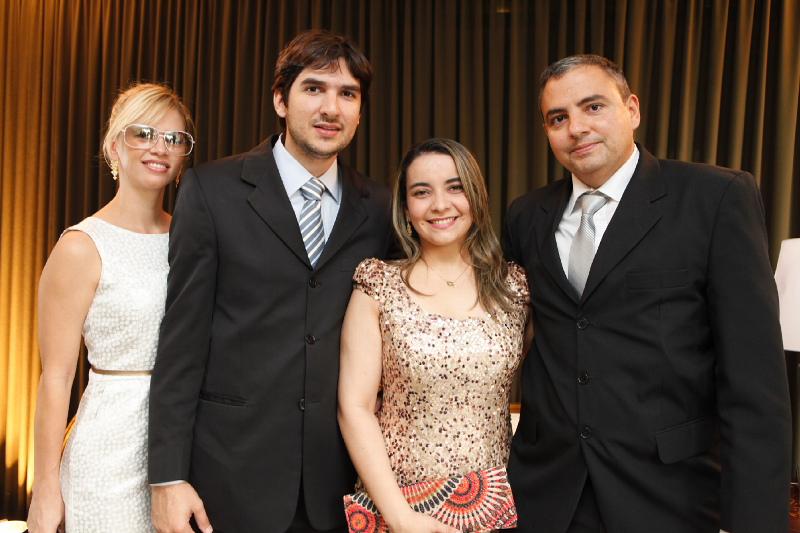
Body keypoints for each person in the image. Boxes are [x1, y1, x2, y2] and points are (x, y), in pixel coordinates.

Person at [503, 54, 791, 533]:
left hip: (671, 496)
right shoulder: (526, 215)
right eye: (558, 118)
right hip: (548, 496)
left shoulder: (715, 197)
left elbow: (754, 384)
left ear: (632, 109)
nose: (576, 128)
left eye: (593, 107)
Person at [148, 30, 395, 533]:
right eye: (314, 89)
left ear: (360, 111)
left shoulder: (379, 208)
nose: (331, 108)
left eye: (347, 94)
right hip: (230, 477)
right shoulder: (212, 190)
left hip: (339, 485)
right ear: (280, 99)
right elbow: (181, 343)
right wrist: (167, 478)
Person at [26, 83, 195, 533]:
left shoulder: (191, 240)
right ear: (114, 145)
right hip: (105, 458)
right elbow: (56, 377)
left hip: (181, 454)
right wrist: (45, 489)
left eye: (174, 138)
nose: (160, 147)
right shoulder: (81, 246)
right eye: (144, 133)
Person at [338, 138, 530, 533]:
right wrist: (401, 517)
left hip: (492, 506)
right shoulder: (378, 283)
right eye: (422, 192)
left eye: (455, 187)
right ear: (406, 208)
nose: (440, 204)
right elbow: (354, 408)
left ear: (476, 197)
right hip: (397, 506)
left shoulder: (514, 287)